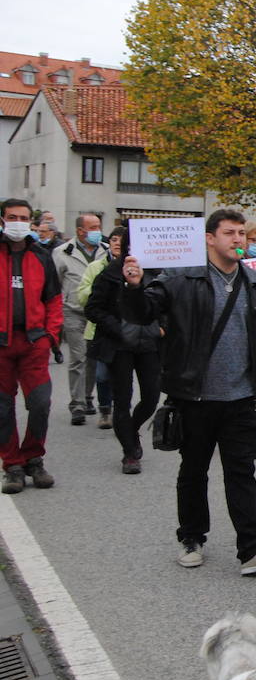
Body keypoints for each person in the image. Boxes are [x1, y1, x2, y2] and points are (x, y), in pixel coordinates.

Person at [120, 208, 256, 576]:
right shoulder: (182, 279)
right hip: (195, 396)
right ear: (210, 238)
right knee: (194, 470)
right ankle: (192, 538)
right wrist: (133, 284)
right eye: (230, 233)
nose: (238, 240)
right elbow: (144, 312)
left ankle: (253, 548)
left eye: (242, 233)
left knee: (241, 472)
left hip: (242, 398)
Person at [83, 227, 161, 474]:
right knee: (122, 400)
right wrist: (118, 328)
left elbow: (167, 305)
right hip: (119, 346)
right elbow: (93, 309)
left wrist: (163, 327)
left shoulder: (156, 273)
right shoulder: (111, 273)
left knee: (151, 398)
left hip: (149, 345)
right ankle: (129, 453)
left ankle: (131, 429)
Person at [0, 198, 62, 495]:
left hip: (34, 342)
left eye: (23, 217)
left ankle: (33, 458)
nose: (18, 222)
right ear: (3, 219)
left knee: (40, 403)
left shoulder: (41, 256)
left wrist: (50, 336)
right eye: (12, 216)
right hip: (1, 345)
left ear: (31, 222)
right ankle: (12, 465)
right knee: (2, 408)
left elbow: (53, 300)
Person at [53, 212, 108, 426]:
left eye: (98, 226)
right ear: (80, 231)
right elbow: (55, 283)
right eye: (92, 227)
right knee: (79, 357)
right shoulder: (61, 252)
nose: (97, 230)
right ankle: (77, 405)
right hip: (73, 311)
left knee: (93, 358)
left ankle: (87, 397)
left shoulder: (105, 251)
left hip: (97, 313)